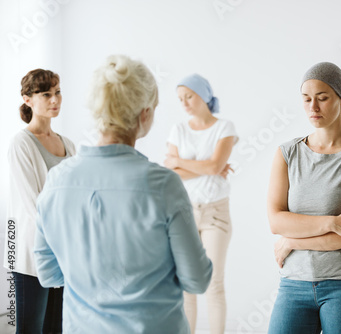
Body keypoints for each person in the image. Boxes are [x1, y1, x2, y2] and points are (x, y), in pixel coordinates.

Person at [33, 55, 213, 333]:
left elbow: (48, 274)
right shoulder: (163, 185)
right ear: (145, 114)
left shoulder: (56, 181)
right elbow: (197, 280)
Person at [267, 62, 341, 334]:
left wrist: (291, 241)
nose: (313, 107)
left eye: (322, 98)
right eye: (306, 99)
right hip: (294, 283)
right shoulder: (287, 154)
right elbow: (276, 221)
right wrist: (332, 222)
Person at [164, 73, 238, 334]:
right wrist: (209, 167)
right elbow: (172, 172)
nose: (184, 103)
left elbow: (215, 165)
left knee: (214, 284)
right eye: (180, 99)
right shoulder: (178, 129)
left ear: (204, 96)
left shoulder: (224, 127)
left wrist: (181, 162)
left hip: (216, 213)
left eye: (189, 96)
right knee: (186, 285)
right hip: (183, 213)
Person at [4, 68, 75, 333]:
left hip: (65, 252)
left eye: (57, 92)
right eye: (46, 94)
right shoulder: (21, 143)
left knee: (56, 328)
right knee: (30, 328)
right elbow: (32, 205)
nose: (55, 100)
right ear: (28, 99)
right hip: (31, 252)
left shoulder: (68, 143)